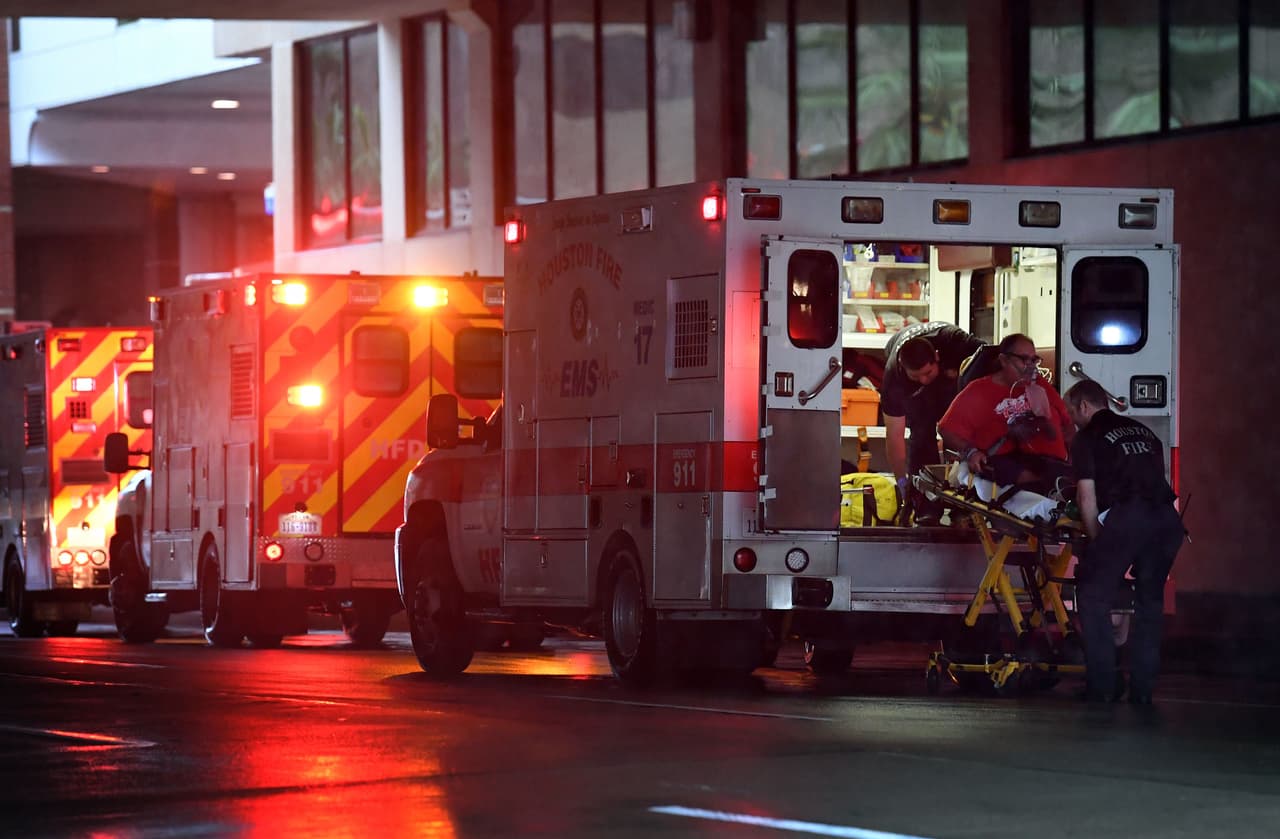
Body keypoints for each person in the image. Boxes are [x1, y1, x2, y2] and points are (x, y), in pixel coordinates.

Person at [1065, 379, 1183, 704]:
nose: (1071, 418)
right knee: (1149, 604)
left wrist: (1095, 544)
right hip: (1167, 521)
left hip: (1130, 517)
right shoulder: (1145, 432)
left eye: (1071, 411)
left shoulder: (1086, 437)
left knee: (1092, 596)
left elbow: (1086, 498)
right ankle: (1142, 691)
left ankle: (1102, 687)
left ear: (1084, 406)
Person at [938, 333, 1073, 492]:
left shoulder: (1039, 386)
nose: (1030, 366)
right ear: (1003, 360)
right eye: (1023, 359)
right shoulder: (979, 391)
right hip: (997, 459)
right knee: (1031, 478)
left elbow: (1067, 423)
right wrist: (971, 452)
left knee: (1064, 476)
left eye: (1033, 360)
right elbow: (945, 429)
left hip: (1038, 458)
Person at [878, 322, 984, 524]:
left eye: (927, 373)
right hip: (914, 388)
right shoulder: (895, 379)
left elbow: (993, 357)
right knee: (921, 435)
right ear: (903, 367)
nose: (924, 380)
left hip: (952, 374)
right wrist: (903, 483)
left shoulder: (955, 341)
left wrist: (964, 376)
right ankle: (925, 504)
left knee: (957, 432)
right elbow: (894, 436)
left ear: (937, 357)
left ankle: (964, 502)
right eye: (916, 376)